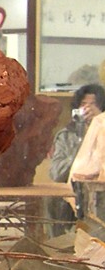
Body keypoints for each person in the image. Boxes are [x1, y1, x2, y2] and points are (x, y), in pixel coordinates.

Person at [48, 84, 105, 228]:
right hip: (71, 196)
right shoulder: (67, 136)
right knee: (54, 201)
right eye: (84, 104)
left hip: (100, 194)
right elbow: (56, 173)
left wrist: (98, 126)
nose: (88, 109)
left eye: (94, 105)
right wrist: (81, 144)